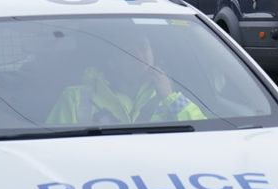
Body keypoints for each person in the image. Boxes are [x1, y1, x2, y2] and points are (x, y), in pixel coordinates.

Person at [47, 32, 206, 126]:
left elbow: (204, 135)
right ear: (111, 62)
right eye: (128, 50)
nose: (138, 55)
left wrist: (169, 97)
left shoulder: (168, 95)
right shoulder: (76, 98)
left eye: (143, 47)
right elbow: (52, 148)